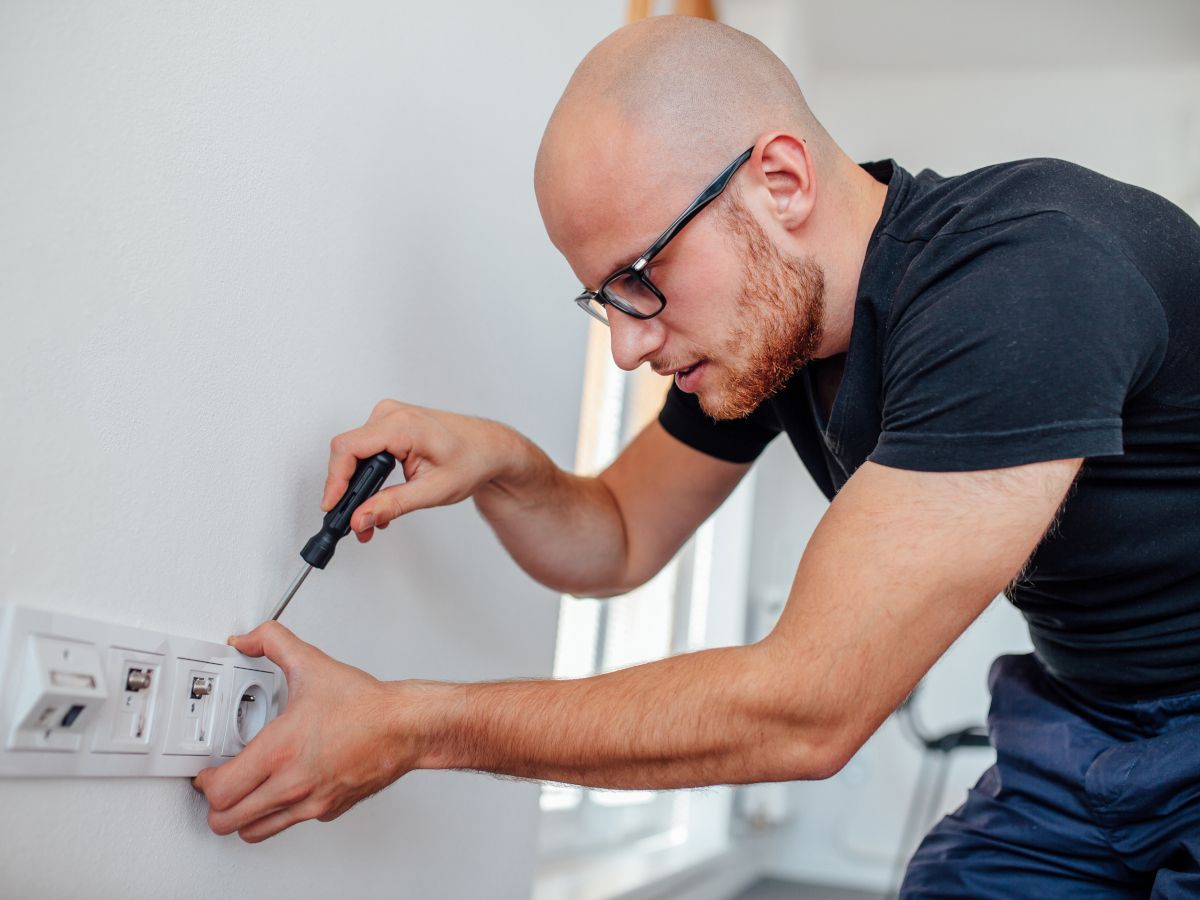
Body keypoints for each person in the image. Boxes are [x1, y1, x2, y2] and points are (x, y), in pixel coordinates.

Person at [194, 16, 1200, 895]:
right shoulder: (779, 331)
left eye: (642, 273)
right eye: (606, 296)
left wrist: (412, 725)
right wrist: (505, 464)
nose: (629, 342)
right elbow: (617, 540)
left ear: (780, 179)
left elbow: (809, 711)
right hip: (1078, 724)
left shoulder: (1026, 275)